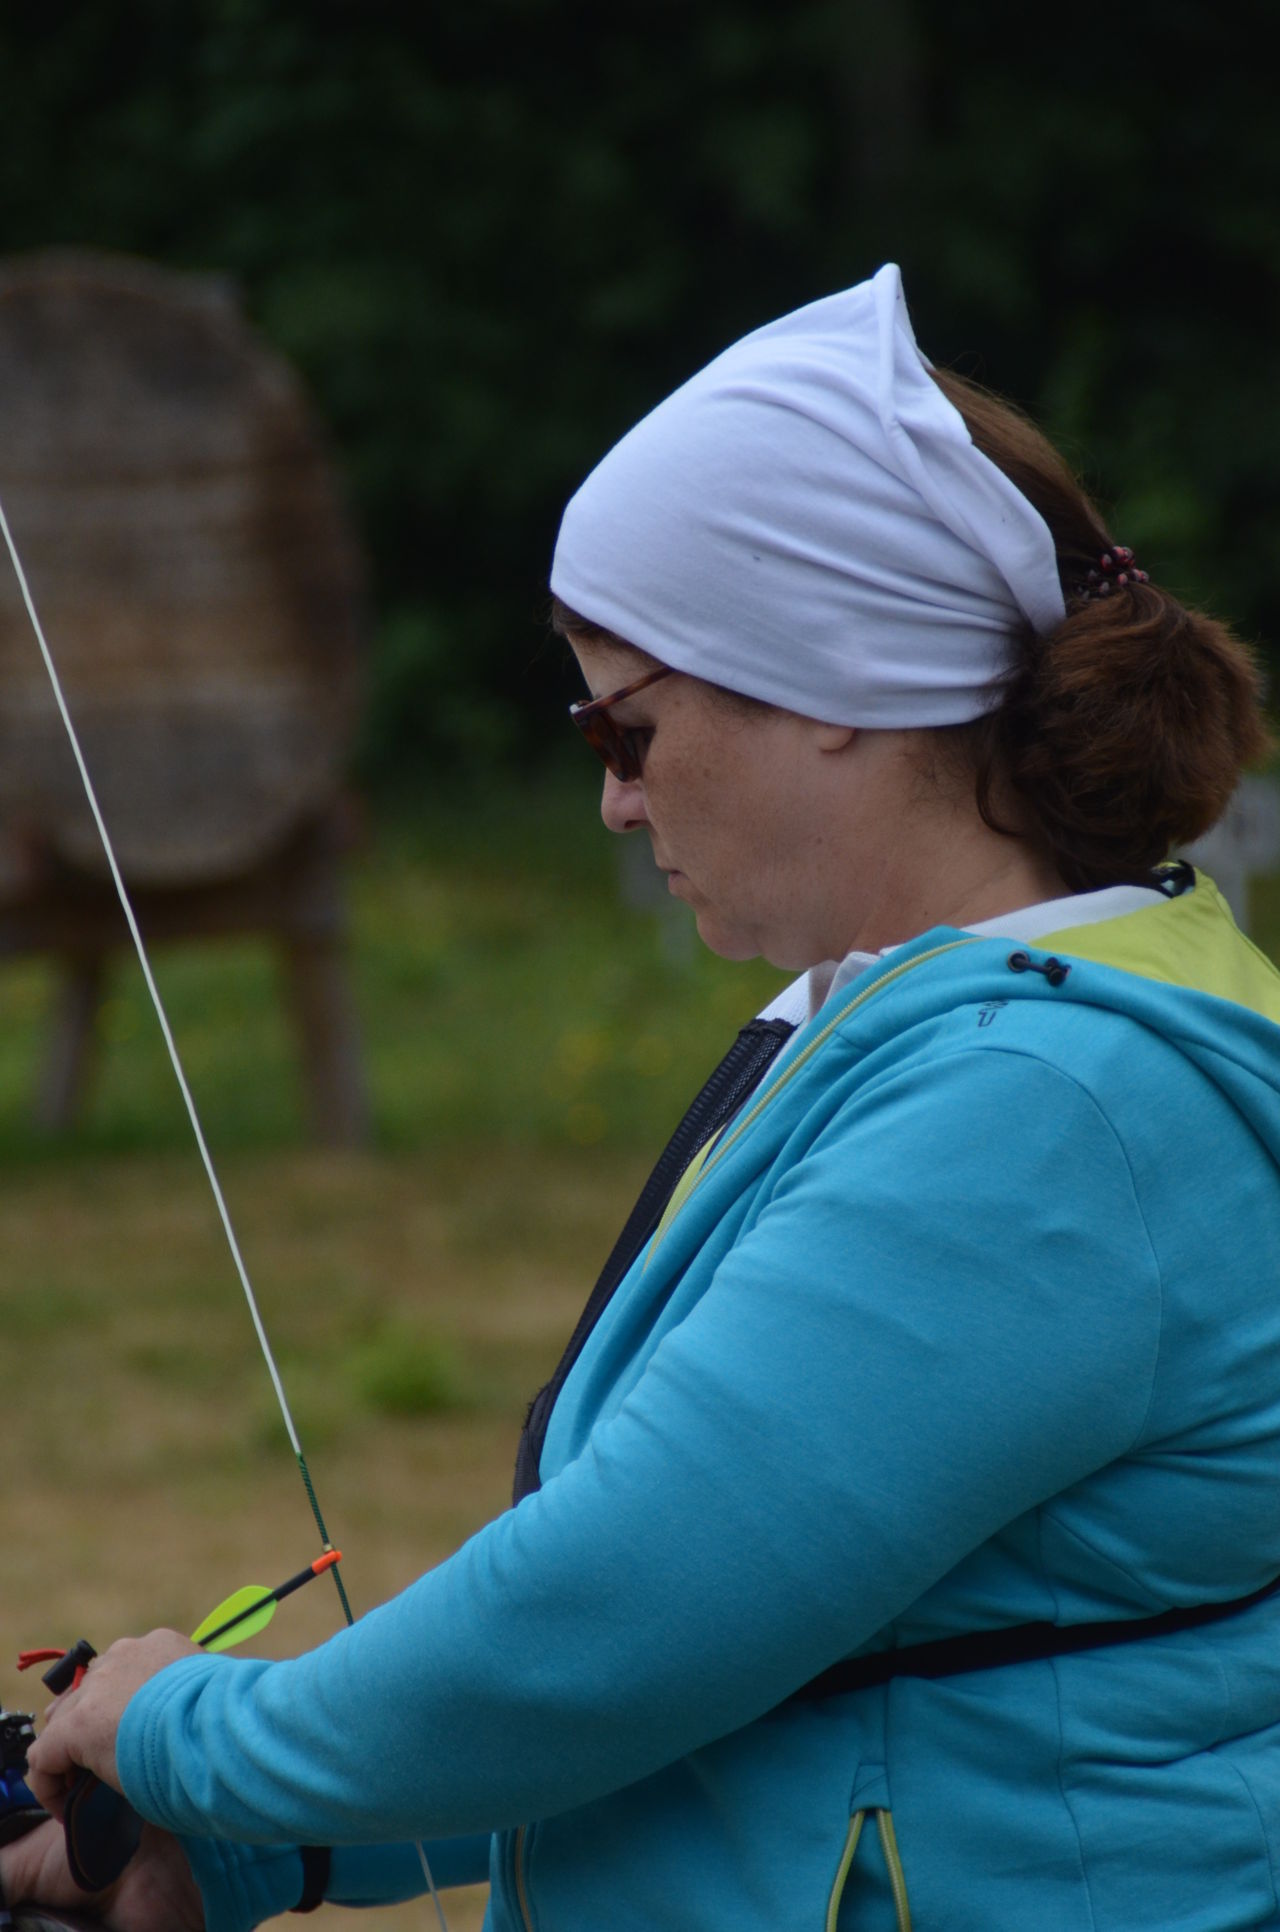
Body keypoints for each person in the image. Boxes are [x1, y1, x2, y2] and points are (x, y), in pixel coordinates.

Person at [3, 261, 1279, 1932]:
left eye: (624, 730)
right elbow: (778, 1667)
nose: (612, 800)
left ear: (832, 684)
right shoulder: (983, 1020)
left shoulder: (1043, 1109)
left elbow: (605, 1626)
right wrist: (247, 1848)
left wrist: (190, 1741)